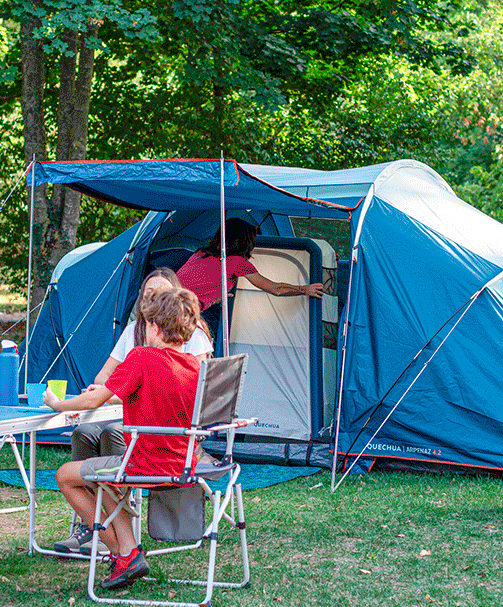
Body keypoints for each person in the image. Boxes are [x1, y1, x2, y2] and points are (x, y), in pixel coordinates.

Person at [43, 287, 204, 590]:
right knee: (103, 476)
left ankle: (121, 553)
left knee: (66, 476)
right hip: (184, 463)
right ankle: (129, 552)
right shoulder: (195, 366)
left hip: (144, 463)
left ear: (154, 328)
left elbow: (93, 401)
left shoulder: (142, 357)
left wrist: (57, 404)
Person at [176, 218, 324, 347]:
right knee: (212, 348)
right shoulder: (236, 262)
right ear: (246, 242)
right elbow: (276, 289)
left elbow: (192, 284)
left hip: (168, 307)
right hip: (188, 315)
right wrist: (305, 289)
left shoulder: (200, 253)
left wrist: (215, 297)